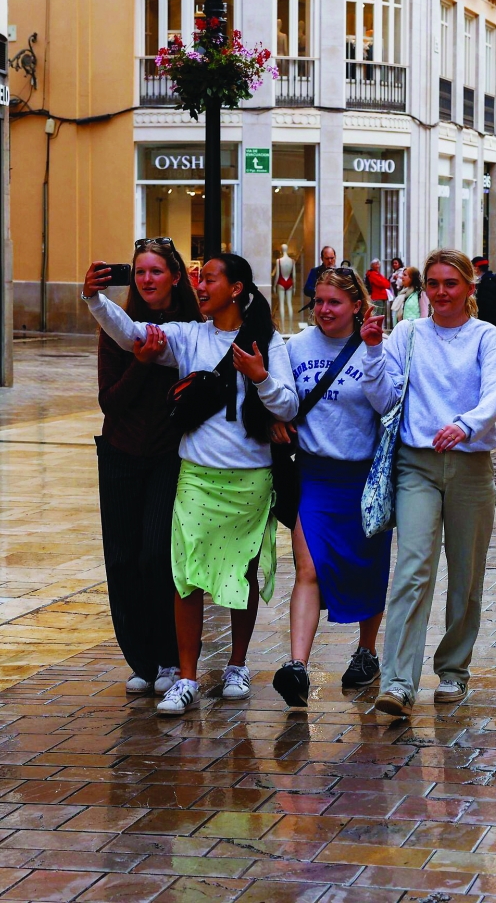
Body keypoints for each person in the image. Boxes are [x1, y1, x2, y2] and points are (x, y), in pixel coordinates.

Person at [82, 252, 299, 715]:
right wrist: (94, 299)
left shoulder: (267, 341)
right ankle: (186, 676)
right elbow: (133, 336)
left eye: (211, 280)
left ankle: (237, 665)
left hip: (249, 478)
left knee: (240, 574)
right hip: (197, 475)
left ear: (236, 289)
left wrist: (260, 378)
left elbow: (288, 407)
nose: (199, 287)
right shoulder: (189, 336)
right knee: (186, 578)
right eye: (198, 279)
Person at [360, 249, 496, 716]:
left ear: (468, 287)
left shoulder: (485, 337)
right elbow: (383, 396)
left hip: (470, 467)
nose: (441, 292)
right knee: (412, 569)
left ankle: (452, 671)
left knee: (466, 576)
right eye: (433, 283)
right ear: (423, 288)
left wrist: (465, 425)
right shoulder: (406, 334)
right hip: (417, 465)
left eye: (451, 283)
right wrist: (370, 350)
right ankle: (399, 682)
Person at [271, 268, 395, 707]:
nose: (324, 309)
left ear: (357, 305)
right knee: (308, 569)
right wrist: (273, 417)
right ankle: (297, 667)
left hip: (363, 478)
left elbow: (387, 404)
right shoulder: (296, 346)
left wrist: (375, 349)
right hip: (313, 475)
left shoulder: (377, 345)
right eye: (320, 301)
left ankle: (366, 652)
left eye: (334, 302)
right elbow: (281, 397)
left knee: (368, 566)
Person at [92, 238, 202, 697]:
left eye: (156, 271)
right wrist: (139, 364)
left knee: (156, 557)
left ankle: (167, 658)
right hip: (120, 453)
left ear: (176, 276)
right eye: (140, 272)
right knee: (121, 561)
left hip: (167, 457)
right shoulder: (119, 329)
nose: (147, 280)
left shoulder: (193, 329)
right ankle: (139, 659)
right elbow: (110, 402)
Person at [473, 257, 496, 326]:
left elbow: (486, 303)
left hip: (487, 320)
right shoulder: (492, 279)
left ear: (477, 268)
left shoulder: (487, 282)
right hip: (492, 318)